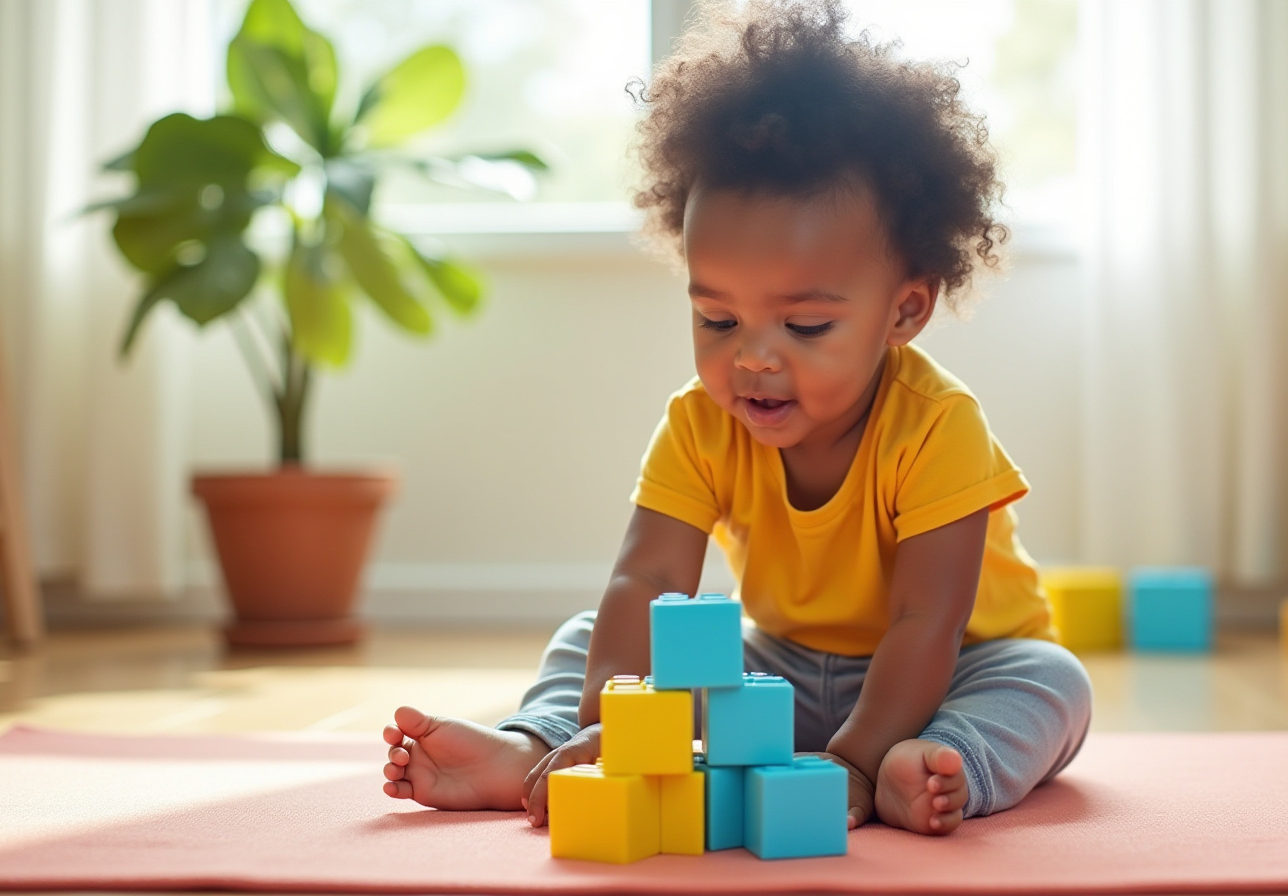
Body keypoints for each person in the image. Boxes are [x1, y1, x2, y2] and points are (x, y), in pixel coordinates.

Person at [379, 0, 1090, 837]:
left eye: (806, 326)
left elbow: (924, 621)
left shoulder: (940, 428)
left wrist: (857, 760)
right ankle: (544, 742)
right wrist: (620, 727)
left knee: (1052, 680)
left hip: (950, 667)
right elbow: (646, 583)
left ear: (904, 310)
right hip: (776, 673)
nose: (752, 359)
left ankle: (934, 766)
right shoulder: (699, 421)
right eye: (718, 321)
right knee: (591, 634)